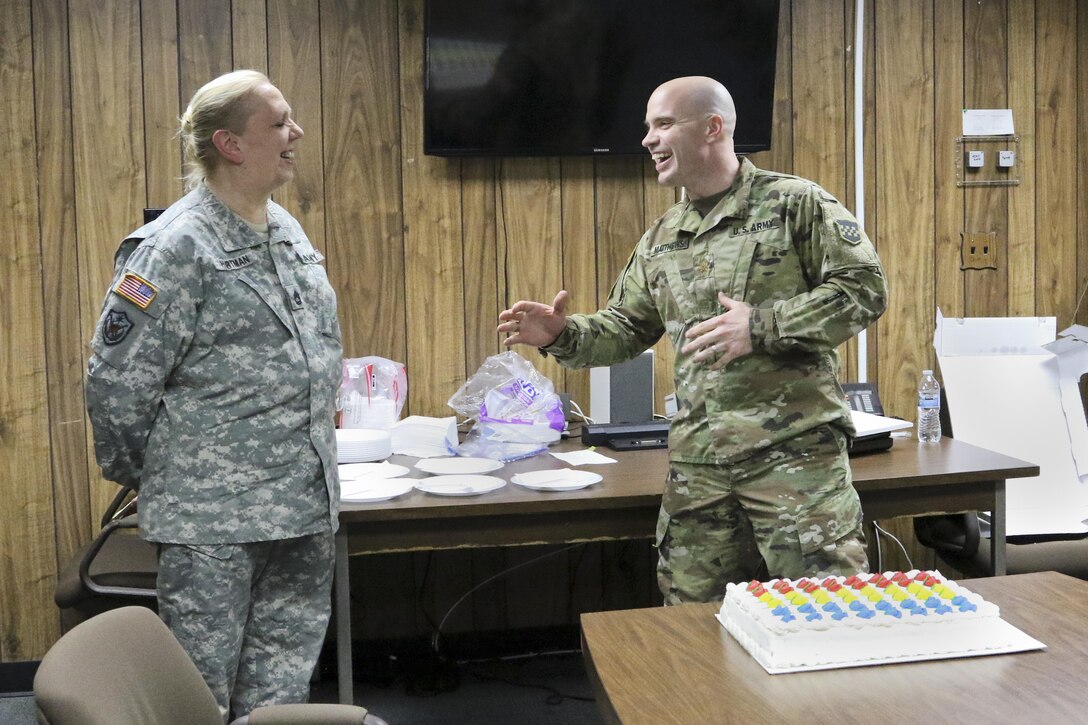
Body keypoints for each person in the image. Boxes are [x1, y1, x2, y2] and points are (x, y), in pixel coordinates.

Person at [498, 76, 887, 605]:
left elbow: (864, 289)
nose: (648, 140)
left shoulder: (795, 204)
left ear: (712, 127)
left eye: (663, 124)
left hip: (794, 462)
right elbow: (624, 329)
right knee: (690, 628)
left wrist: (762, 326)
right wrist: (562, 334)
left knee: (825, 613)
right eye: (648, 128)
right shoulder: (661, 237)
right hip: (699, 468)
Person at [86, 70, 342, 719]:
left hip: (301, 510)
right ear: (230, 143)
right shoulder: (174, 247)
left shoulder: (284, 228)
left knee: (281, 696)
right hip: (214, 522)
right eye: (279, 123)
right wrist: (151, 473)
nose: (296, 134)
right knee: (197, 699)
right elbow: (117, 380)